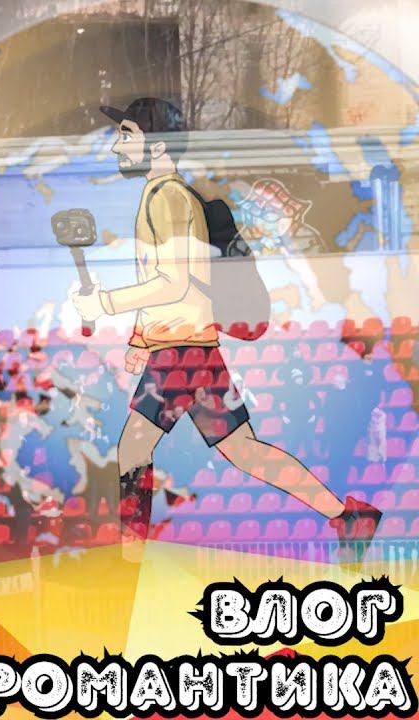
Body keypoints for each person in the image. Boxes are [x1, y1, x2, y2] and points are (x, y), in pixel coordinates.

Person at [70, 97, 379, 562]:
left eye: (127, 135)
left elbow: (174, 282)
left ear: (158, 145)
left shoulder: (168, 198)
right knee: (243, 450)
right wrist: (139, 339)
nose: (118, 145)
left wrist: (105, 303)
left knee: (133, 447)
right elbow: (174, 282)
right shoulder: (163, 195)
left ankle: (128, 558)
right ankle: (348, 517)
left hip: (181, 353)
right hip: (189, 348)